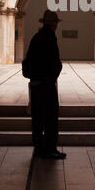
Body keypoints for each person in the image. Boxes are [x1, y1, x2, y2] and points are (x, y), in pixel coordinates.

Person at [25, 9, 66, 159]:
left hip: (36, 84)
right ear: (53, 24)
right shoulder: (50, 38)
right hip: (46, 85)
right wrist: (56, 71)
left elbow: (28, 60)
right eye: (55, 23)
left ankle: (38, 149)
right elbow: (53, 62)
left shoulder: (36, 37)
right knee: (50, 118)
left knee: (37, 119)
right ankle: (50, 149)